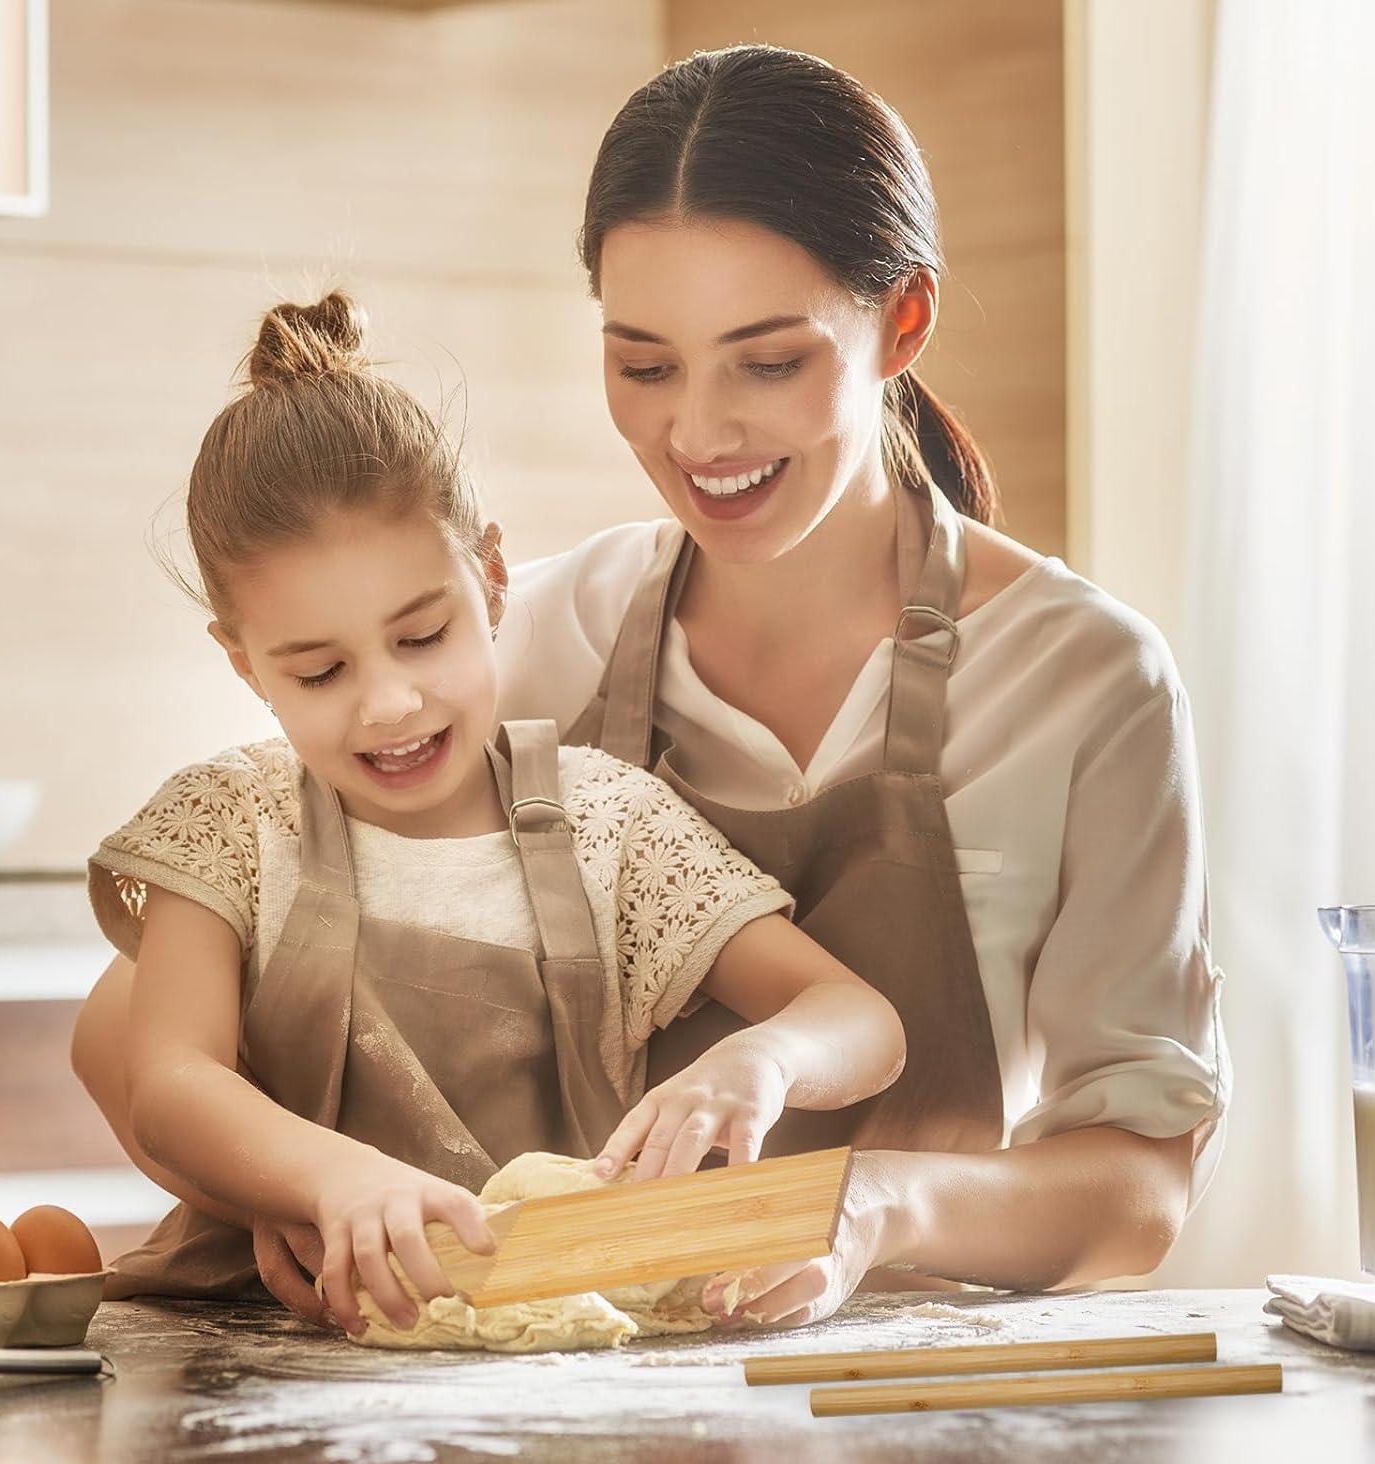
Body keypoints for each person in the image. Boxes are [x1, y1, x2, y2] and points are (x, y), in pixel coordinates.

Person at [491, 45, 1230, 1326]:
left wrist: (867, 1210)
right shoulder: (540, 639)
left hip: (904, 1402)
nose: (700, 436)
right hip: (550, 1390)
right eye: (645, 364)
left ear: (903, 322)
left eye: (768, 361)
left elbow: (1139, 1192)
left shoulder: (1084, 680)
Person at [74, 290, 906, 1339]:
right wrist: (320, 1183)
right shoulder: (232, 823)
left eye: (422, 638)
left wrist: (763, 1061)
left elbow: (861, 1019)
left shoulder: (613, 824)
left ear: (494, 579)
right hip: (259, 1338)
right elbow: (170, 1082)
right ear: (245, 665)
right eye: (320, 670)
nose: (388, 702)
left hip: (563, 1341)